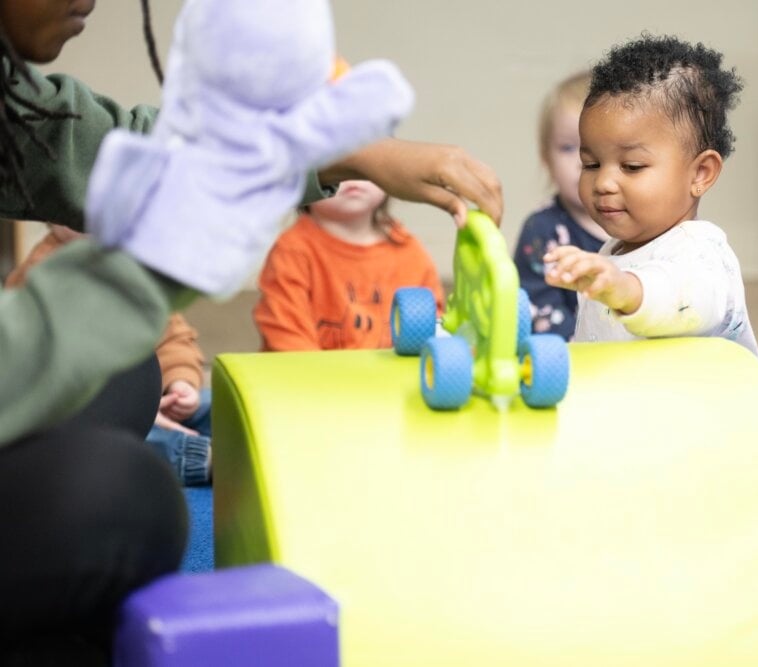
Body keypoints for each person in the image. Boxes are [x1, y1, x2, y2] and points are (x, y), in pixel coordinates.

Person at [0, 1, 501, 664]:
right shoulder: (297, 255)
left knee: (128, 368)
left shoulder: (18, 101)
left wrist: (352, 153)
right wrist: (167, 255)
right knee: (124, 496)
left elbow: (96, 144)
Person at [542, 35, 758, 357]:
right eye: (591, 164)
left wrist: (627, 288)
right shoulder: (611, 253)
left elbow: (685, 297)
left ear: (700, 174)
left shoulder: (701, 251)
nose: (603, 182)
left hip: (710, 403)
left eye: (632, 166)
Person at [5, 225, 213, 487]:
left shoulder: (132, 263)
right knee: (115, 444)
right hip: (84, 412)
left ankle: (242, 438)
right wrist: (132, 410)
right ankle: (201, 456)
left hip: (152, 396)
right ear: (50, 218)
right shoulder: (43, 273)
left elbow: (172, 334)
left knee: (208, 403)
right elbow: (44, 375)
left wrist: (181, 382)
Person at [254, 181, 444, 351]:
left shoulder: (407, 249)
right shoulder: (293, 250)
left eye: (362, 167)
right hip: (313, 380)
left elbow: (431, 324)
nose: (351, 178)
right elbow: (286, 332)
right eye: (340, 167)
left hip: (386, 381)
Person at [513, 70, 608, 340]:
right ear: (546, 158)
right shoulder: (543, 230)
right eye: (568, 148)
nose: (582, 161)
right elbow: (538, 311)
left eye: (598, 148)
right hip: (571, 363)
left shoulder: (645, 223)